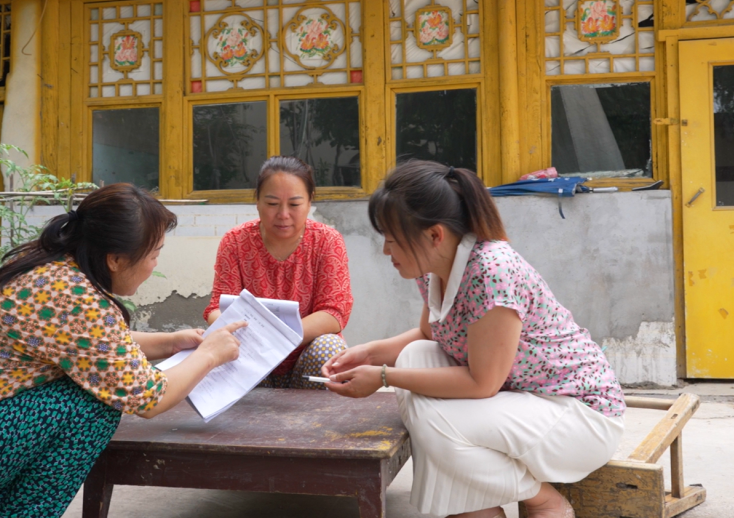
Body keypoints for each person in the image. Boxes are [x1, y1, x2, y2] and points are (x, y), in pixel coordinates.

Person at [0, 184, 246, 518]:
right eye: (154, 253)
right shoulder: (74, 298)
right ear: (115, 259)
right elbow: (149, 398)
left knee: (81, 392)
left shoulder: (49, 267)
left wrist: (173, 342)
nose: (155, 263)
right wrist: (209, 355)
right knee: (91, 407)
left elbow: (92, 349)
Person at [322, 161, 625, 518]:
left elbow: (483, 383)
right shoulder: (434, 266)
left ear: (435, 235)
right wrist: (369, 354)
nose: (386, 251)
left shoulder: (491, 270)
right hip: (519, 400)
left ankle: (542, 499)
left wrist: (384, 377)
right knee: (416, 356)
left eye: (391, 239)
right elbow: (428, 335)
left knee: (433, 421)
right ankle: (477, 508)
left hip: (577, 415)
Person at [205, 156, 352, 389]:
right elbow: (217, 309)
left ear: (310, 201)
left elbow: (333, 313)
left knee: (330, 347)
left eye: (294, 205)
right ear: (257, 201)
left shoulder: (327, 241)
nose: (283, 214)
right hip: (252, 353)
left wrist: (276, 338)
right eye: (272, 204)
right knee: (215, 347)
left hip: (306, 352)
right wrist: (253, 340)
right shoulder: (235, 241)